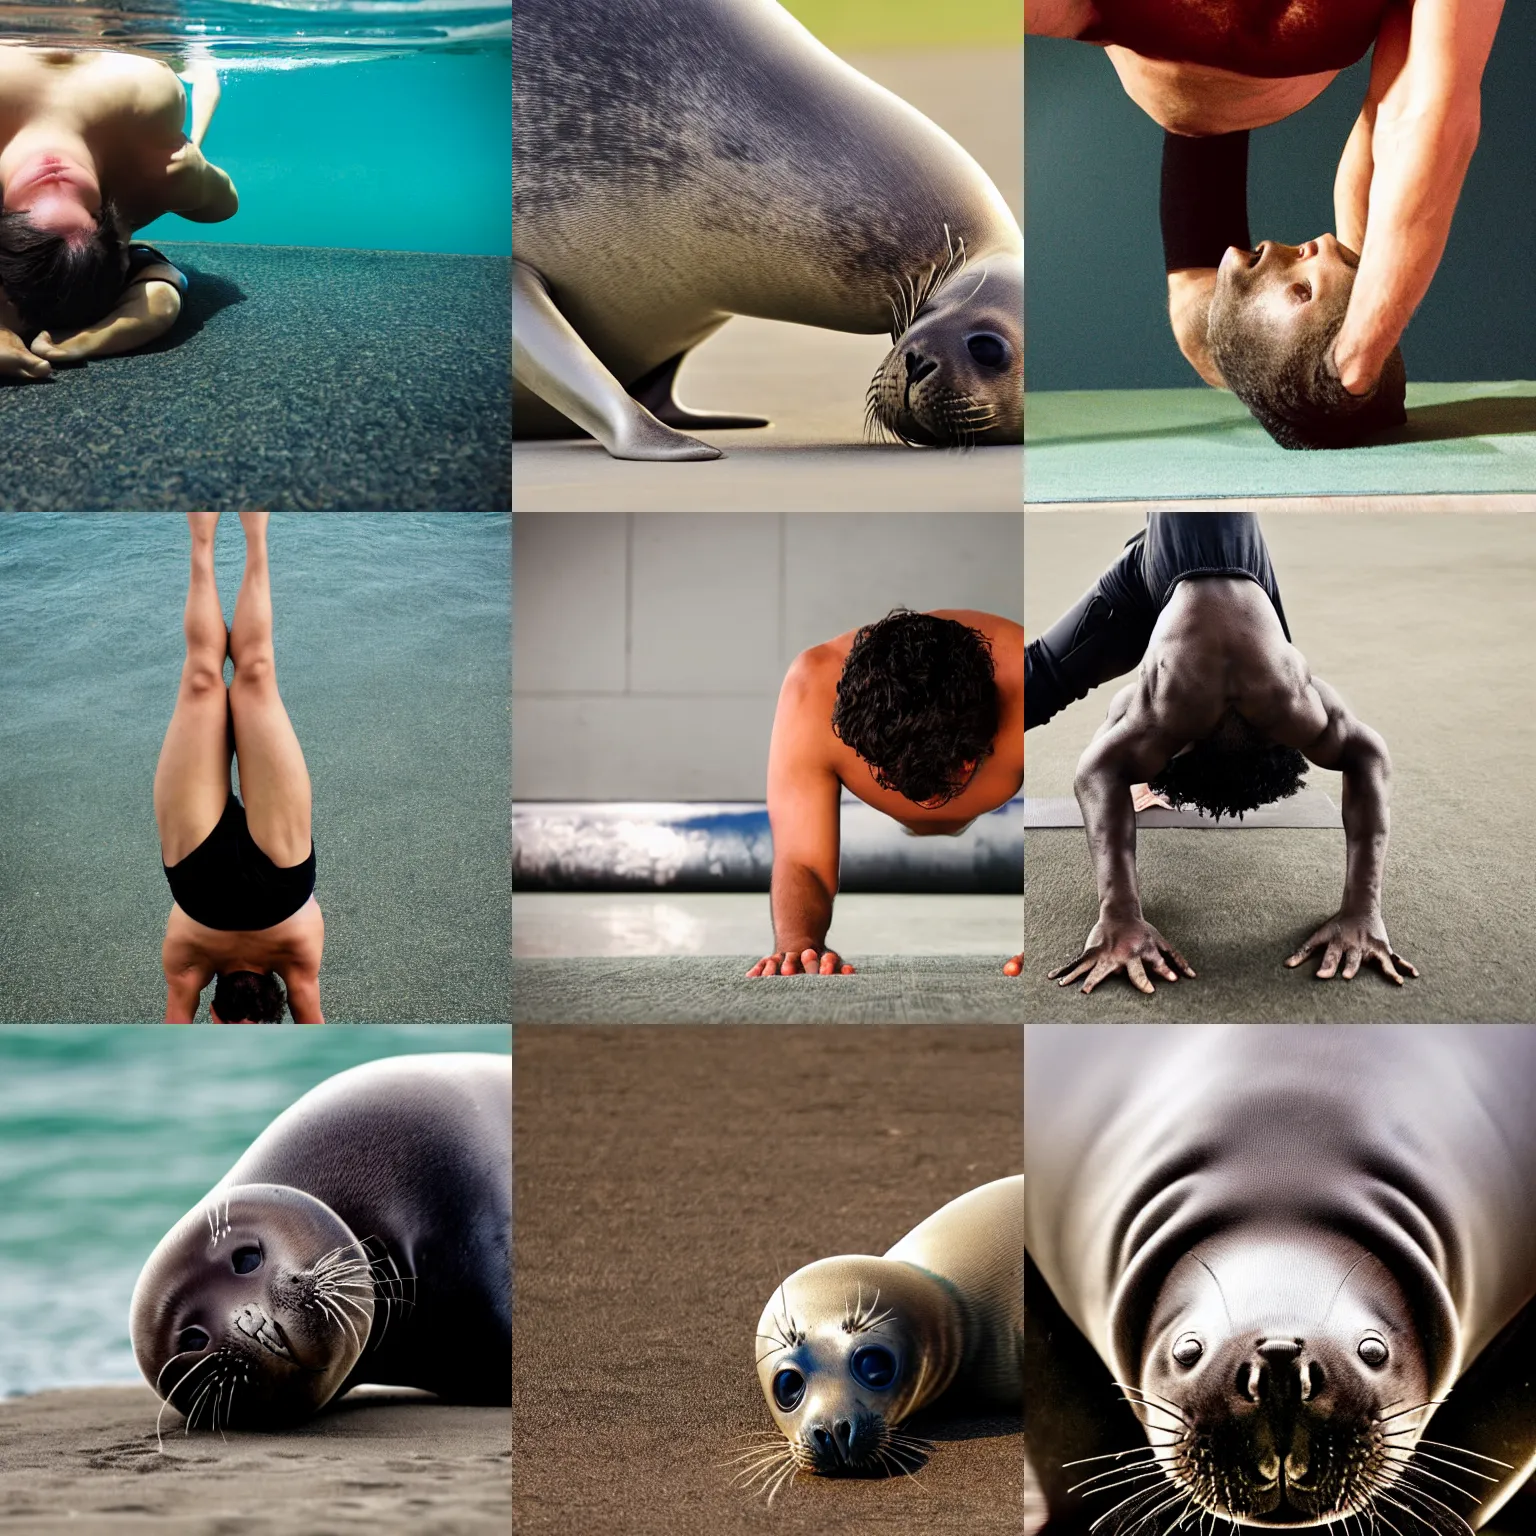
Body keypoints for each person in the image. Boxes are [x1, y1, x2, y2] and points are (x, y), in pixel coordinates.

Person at [1030, 0, 1505, 447]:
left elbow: (1413, 115)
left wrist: (1360, 351)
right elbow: (1406, 122)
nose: (1240, 256)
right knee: (1207, 331)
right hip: (1192, 64)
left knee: (1205, 326)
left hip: (1193, 67)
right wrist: (1359, 351)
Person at [1028, 511, 1415, 995]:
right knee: (1040, 677)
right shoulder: (1186, 707)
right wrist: (1118, 915)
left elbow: (1368, 754)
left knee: (1043, 683)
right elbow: (1097, 769)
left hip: (1175, 577)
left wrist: (1364, 907)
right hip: (1197, 548)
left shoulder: (1286, 709)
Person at [749, 608, 1023, 979]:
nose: (926, 803)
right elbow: (803, 859)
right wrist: (798, 942)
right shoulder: (811, 691)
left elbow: (1075, 816)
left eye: (944, 779)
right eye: (895, 780)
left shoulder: (1032, 683)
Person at [155, 512, 324, 1024]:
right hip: (277, 883)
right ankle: (255, 528)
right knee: (254, 672)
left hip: (201, 881)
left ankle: (202, 535)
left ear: (214, 1015)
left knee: (208, 676)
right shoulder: (298, 965)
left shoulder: (186, 969)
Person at [0, 45, 237, 380]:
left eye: (29, 212)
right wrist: (202, 177)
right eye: (81, 204)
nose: (54, 177)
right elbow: (223, 206)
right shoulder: (146, 162)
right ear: (109, 221)